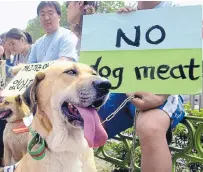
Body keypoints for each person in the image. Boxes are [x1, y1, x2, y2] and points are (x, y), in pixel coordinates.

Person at [67, 1, 185, 172]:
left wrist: (162, 94)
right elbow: (98, 58)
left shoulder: (179, 13)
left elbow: (190, 62)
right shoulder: (123, 16)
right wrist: (76, 24)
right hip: (123, 90)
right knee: (78, 125)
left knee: (150, 127)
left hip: (165, 89)